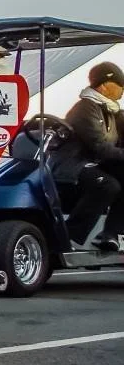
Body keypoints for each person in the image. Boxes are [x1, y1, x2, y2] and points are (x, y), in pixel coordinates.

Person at [53, 61, 124, 252]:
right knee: (108, 185)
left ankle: (110, 234)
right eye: (119, 84)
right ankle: (68, 236)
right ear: (103, 85)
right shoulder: (86, 108)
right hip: (72, 166)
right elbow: (100, 146)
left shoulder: (109, 110)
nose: (122, 89)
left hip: (94, 164)